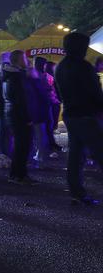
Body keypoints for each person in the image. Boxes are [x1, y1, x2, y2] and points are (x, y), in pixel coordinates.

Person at [52, 31, 103, 204]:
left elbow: (58, 93)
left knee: (75, 154)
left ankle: (76, 191)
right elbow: (95, 93)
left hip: (70, 114)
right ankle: (76, 191)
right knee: (99, 151)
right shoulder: (83, 66)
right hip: (86, 114)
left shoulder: (60, 66)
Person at [3, 50, 35, 185]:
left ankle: (17, 173)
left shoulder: (10, 74)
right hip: (19, 115)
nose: (26, 61)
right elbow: (21, 99)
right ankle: (19, 175)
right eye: (24, 59)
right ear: (18, 60)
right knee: (22, 146)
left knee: (20, 145)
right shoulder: (16, 77)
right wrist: (28, 118)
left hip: (13, 113)